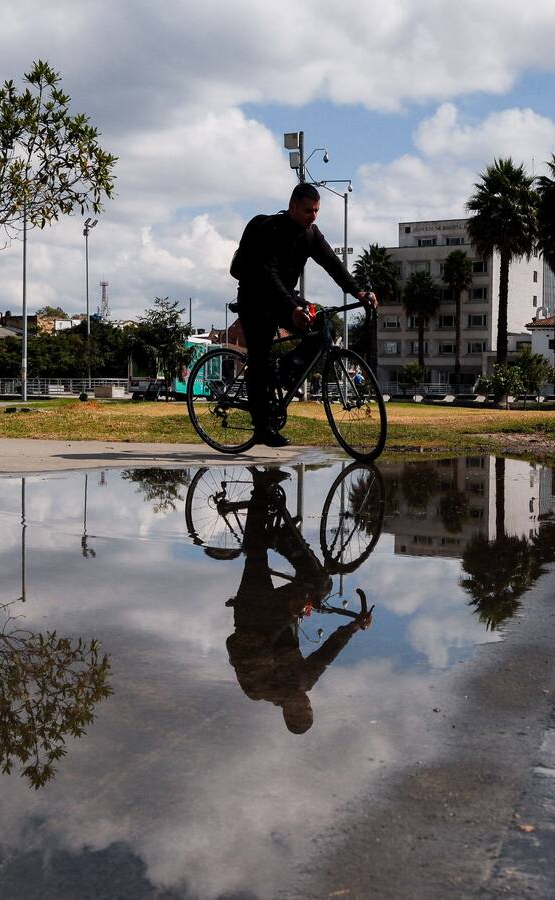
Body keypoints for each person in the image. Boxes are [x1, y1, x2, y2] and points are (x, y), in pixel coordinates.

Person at [225, 467, 371, 734]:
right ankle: (270, 509)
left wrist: (292, 613)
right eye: (308, 708)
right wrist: (354, 626)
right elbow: (328, 652)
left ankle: (273, 518)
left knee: (306, 579)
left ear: (286, 713)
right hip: (262, 612)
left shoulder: (264, 688)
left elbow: (260, 643)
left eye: (299, 710)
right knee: (276, 566)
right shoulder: (302, 682)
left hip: (256, 614)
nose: (304, 704)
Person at [230, 183, 376, 447]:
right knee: (260, 359)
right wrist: (292, 309)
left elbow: (333, 264)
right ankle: (262, 427)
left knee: (322, 329)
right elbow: (267, 274)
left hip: (285, 296)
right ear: (293, 206)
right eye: (309, 210)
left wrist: (359, 292)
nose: (314, 216)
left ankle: (283, 373)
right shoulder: (269, 230)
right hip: (255, 298)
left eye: (317, 211)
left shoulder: (311, 235)